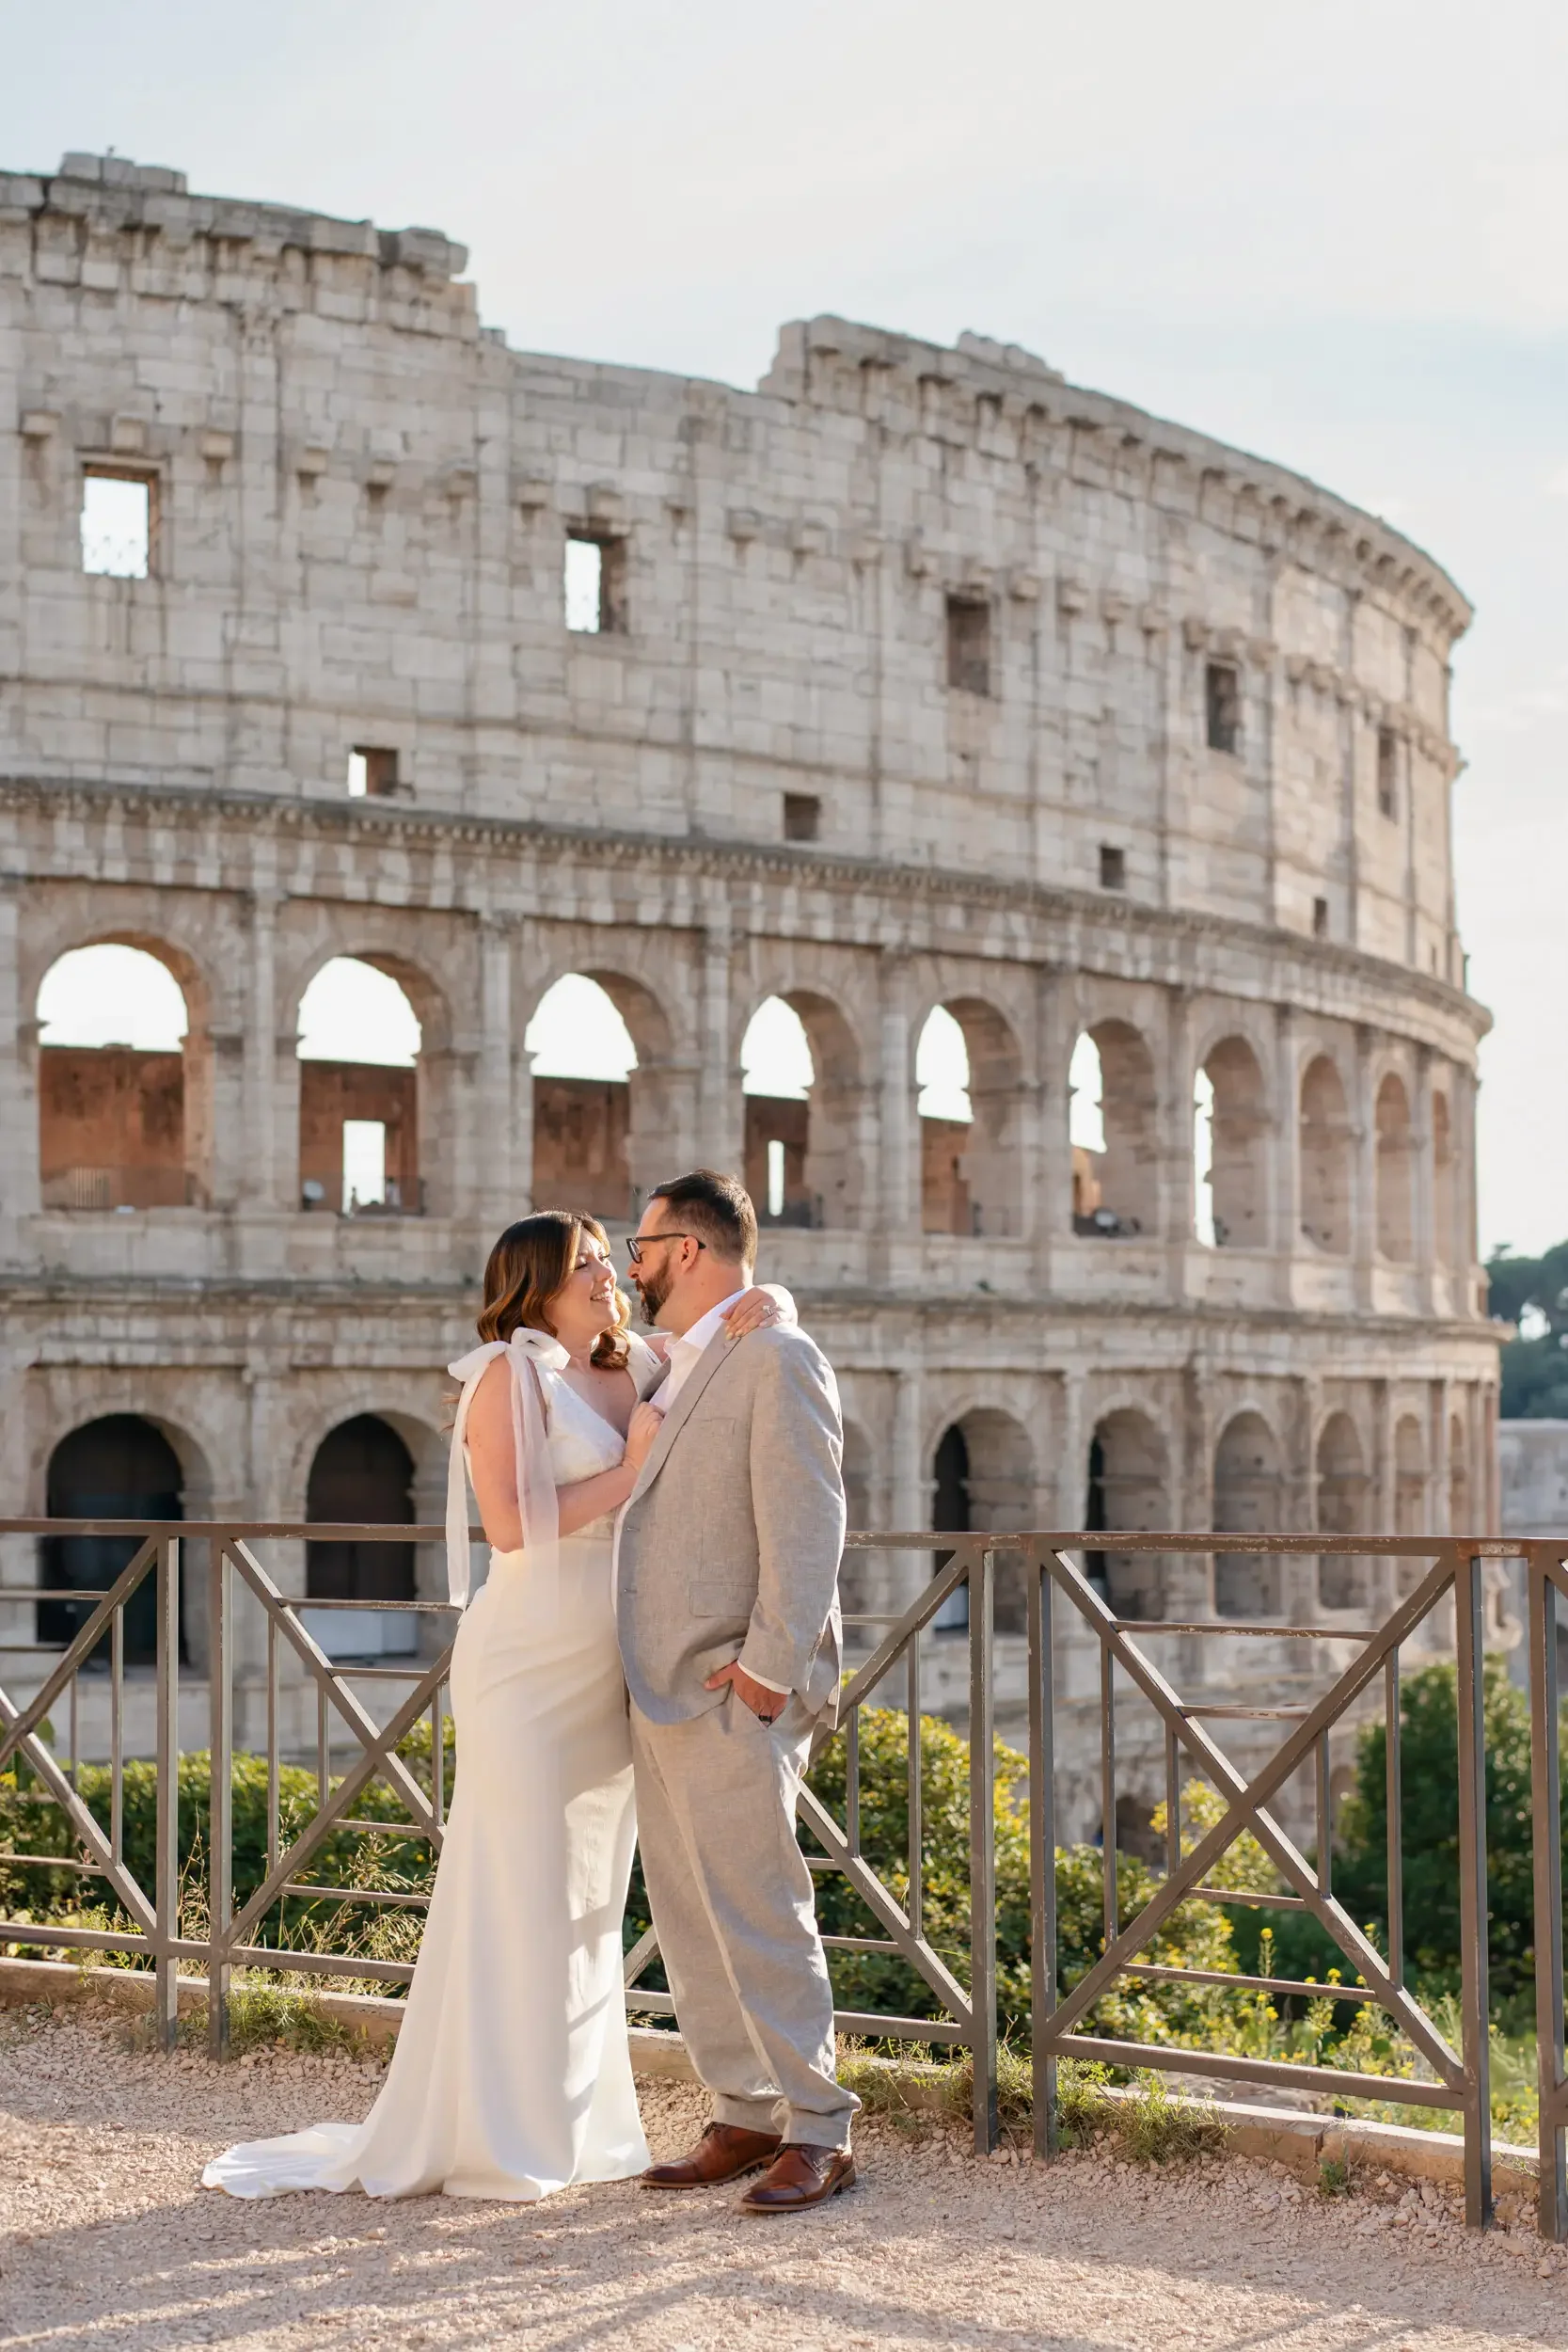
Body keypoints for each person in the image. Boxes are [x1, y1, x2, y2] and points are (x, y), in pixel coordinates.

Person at [203, 1210, 791, 2202]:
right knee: (513, 1880)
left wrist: (771, 1301)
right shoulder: (504, 1375)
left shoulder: (635, 1361)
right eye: (587, 1265)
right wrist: (632, 1470)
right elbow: (514, 1527)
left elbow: (725, 1340)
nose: (611, 1276)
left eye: (612, 1259)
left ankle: (575, 2122)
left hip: (609, 1659)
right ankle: (491, 2129)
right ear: (535, 1283)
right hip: (526, 1662)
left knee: (587, 1899)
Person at [621, 1168, 859, 2214]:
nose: (628, 1263)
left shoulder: (776, 1352)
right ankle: (741, 2110)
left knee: (761, 1907)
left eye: (640, 1245)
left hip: (729, 1681)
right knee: (686, 1911)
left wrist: (768, 1673)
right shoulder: (682, 1353)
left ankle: (819, 2126)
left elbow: (808, 1524)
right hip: (658, 1679)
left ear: (689, 1248)